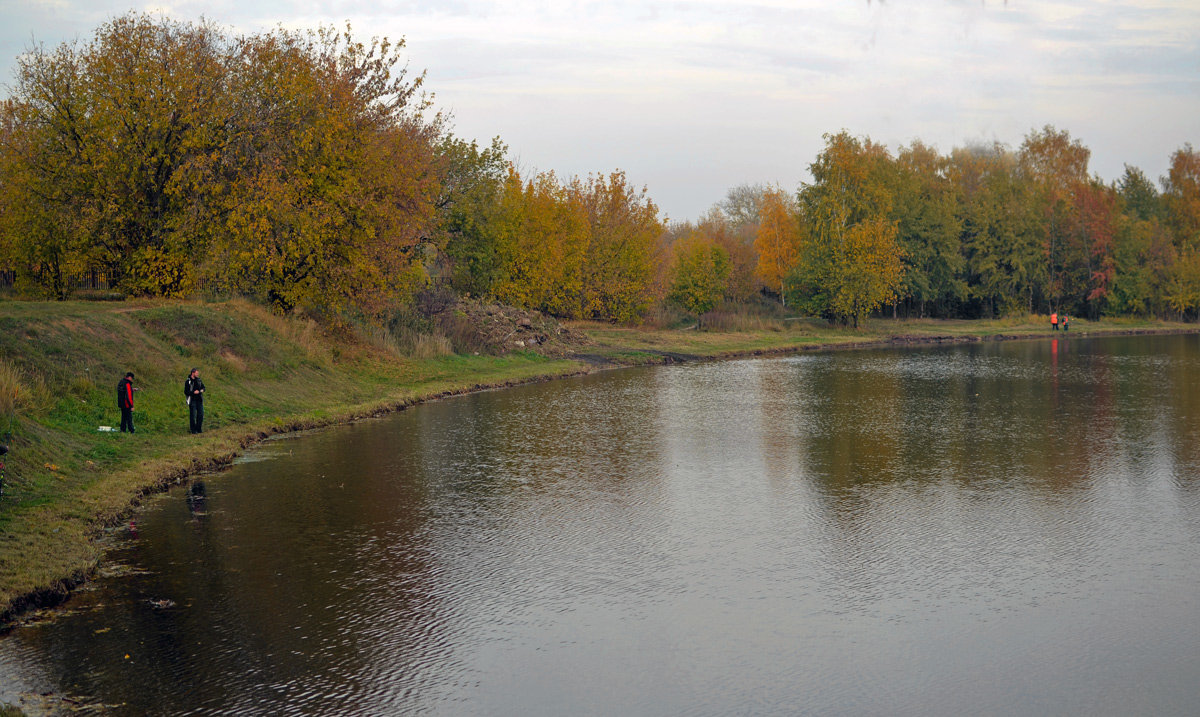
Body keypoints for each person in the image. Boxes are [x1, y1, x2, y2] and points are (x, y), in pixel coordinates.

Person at [184, 368, 206, 434]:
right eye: (196, 373)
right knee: (193, 415)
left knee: (201, 414)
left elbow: (204, 388)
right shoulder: (188, 381)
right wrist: (193, 392)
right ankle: (193, 430)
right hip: (192, 400)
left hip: (199, 400)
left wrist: (199, 391)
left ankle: (198, 428)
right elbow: (186, 392)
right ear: (192, 373)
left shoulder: (199, 380)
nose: (197, 374)